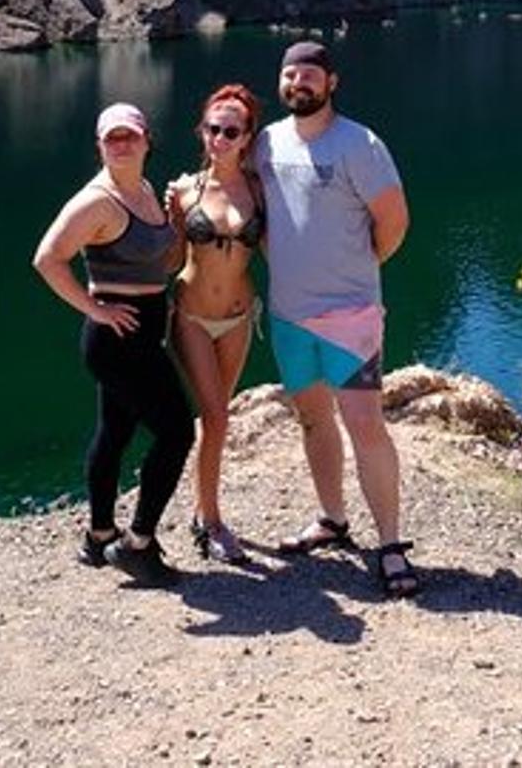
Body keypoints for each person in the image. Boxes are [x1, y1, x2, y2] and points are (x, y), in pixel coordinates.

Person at [254, 41, 419, 597]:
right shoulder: (266, 143)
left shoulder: (359, 144)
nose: (298, 82)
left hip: (350, 315)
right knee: (312, 419)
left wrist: (360, 268)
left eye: (309, 75)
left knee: (365, 425)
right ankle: (332, 518)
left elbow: (394, 221)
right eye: (290, 74)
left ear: (331, 83)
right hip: (289, 314)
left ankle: (391, 544)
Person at [31, 102, 193, 586]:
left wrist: (177, 220)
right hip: (117, 339)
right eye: (111, 138)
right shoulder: (96, 202)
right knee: (177, 433)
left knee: (115, 432)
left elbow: (164, 264)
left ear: (146, 141)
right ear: (100, 146)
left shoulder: (143, 191)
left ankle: (100, 534)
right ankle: (137, 544)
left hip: (140, 332)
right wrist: (95, 308)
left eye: (129, 136)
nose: (121, 144)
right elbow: (47, 259)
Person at [165, 84, 266, 563]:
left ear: (247, 137)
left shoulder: (260, 189)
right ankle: (212, 523)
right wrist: (164, 219)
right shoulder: (185, 191)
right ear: (201, 131)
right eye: (213, 129)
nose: (219, 139)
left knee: (216, 417)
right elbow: (170, 260)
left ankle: (200, 509)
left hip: (239, 318)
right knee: (217, 415)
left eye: (231, 131)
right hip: (192, 317)